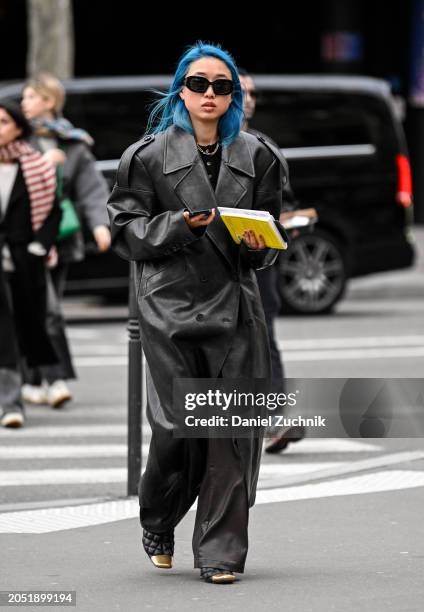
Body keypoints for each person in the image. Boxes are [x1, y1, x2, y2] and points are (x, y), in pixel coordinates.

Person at [107, 42, 287, 584]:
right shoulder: (146, 156)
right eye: (199, 83)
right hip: (170, 309)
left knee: (230, 431)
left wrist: (260, 243)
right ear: (181, 90)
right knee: (177, 431)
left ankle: (221, 552)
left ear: (234, 94)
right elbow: (125, 231)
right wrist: (180, 225)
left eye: (222, 85)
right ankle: (159, 518)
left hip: (236, 306)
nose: (210, 94)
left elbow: (271, 235)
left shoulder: (258, 155)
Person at [19, 73, 111, 407]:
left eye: (30, 97)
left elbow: (91, 189)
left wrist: (100, 225)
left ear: (48, 101)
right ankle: (48, 378)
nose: (24, 103)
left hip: (61, 236)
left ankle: (40, 379)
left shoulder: (72, 142)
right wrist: (43, 166)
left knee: (45, 309)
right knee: (43, 310)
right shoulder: (14, 137)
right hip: (21, 239)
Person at [238, 68, 306, 453]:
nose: (248, 98)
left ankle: (273, 421)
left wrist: (289, 222)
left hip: (261, 258)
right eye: (241, 91)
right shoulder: (198, 144)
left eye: (253, 93)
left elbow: (286, 200)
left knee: (263, 335)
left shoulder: (265, 145)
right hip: (216, 263)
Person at [0, 100, 60, 428]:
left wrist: (40, 247)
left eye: (4, 122)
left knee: (32, 322)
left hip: (23, 260)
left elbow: (53, 210)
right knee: (5, 330)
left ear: (19, 128)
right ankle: (11, 403)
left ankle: (46, 381)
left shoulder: (35, 166)